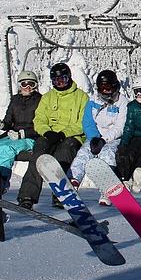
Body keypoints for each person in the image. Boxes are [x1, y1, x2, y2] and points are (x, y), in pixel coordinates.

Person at [16, 62, 89, 210]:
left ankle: (60, 194)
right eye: (56, 81)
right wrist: (47, 132)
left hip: (71, 136)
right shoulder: (48, 97)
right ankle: (27, 196)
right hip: (50, 135)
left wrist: (63, 134)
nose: (59, 83)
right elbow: (39, 119)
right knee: (39, 153)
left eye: (63, 79)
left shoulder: (81, 97)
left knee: (64, 152)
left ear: (69, 78)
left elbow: (82, 123)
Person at [68, 69, 129, 205]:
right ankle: (73, 180)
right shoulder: (93, 100)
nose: (105, 91)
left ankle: (107, 190)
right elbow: (88, 121)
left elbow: (120, 126)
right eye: (102, 88)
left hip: (113, 138)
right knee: (83, 153)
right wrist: (94, 137)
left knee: (107, 155)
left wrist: (104, 139)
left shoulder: (122, 102)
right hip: (95, 137)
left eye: (108, 87)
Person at [0, 70, 41, 191]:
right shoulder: (15, 100)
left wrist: (24, 134)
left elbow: (42, 125)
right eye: (24, 84)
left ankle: (3, 181)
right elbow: (8, 122)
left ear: (35, 85)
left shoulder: (40, 101)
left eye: (31, 84)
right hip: (14, 135)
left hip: (31, 138)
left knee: (7, 149)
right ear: (19, 85)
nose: (27, 87)